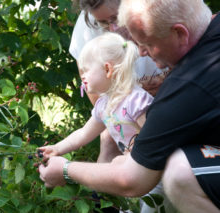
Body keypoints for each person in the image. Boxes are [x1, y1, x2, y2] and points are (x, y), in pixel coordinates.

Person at [39, 0, 220, 212]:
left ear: (180, 33)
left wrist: (66, 169)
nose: (141, 52)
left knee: (180, 170)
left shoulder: (185, 86)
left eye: (147, 43)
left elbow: (133, 179)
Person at [69, 0, 169, 164]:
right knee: (109, 137)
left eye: (116, 18)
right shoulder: (86, 29)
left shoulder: (166, 7)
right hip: (126, 104)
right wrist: (128, 94)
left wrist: (170, 84)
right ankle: (109, 185)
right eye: (104, 23)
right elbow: (99, 99)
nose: (113, 29)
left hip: (175, 94)